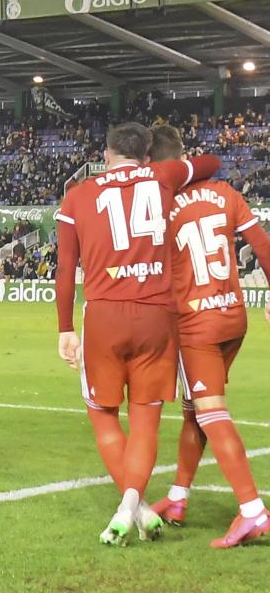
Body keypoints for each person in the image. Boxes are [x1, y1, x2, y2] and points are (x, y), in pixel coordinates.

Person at [55, 122, 221, 545]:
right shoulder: (161, 176)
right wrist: (173, 165)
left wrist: (65, 329)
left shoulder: (78, 195)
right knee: (146, 418)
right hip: (156, 316)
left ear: (106, 154)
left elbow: (65, 270)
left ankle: (129, 508)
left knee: (104, 416)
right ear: (146, 155)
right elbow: (211, 163)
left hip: (104, 315)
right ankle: (137, 507)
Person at [147, 125, 270, 548]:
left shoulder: (161, 203)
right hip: (234, 317)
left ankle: (253, 511)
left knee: (211, 411)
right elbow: (262, 244)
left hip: (195, 322)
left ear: (154, 163)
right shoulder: (225, 193)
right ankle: (178, 498)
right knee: (194, 410)